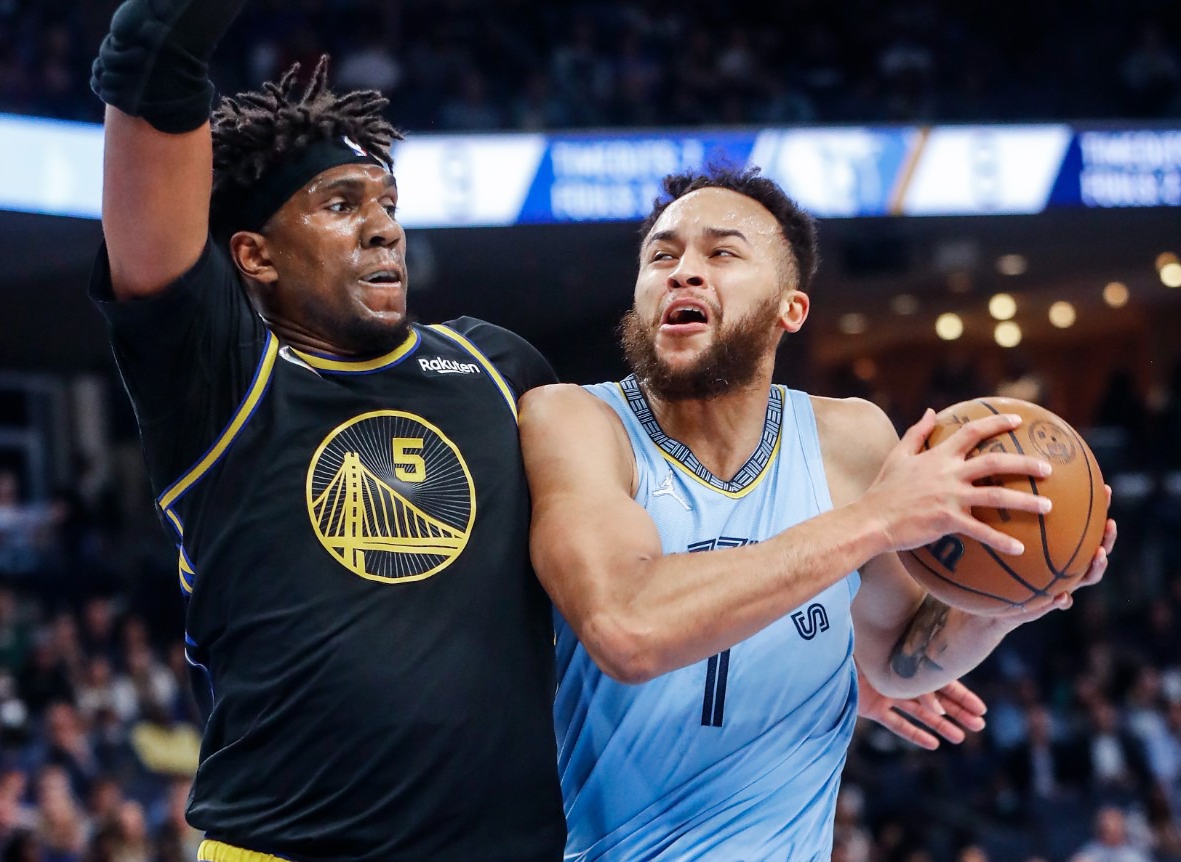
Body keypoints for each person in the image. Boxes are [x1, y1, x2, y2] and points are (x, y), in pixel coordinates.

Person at [518, 165, 1117, 860]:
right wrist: (880, 518)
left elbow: (897, 658)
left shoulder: (852, 439)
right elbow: (627, 628)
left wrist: (1016, 592)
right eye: (662, 254)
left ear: (789, 309)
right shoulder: (575, 418)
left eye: (721, 253)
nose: (682, 271)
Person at [87, 1, 563, 859]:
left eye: (386, 201)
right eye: (341, 204)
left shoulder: (500, 366)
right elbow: (148, 64)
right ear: (254, 256)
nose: (384, 225)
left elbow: (634, 556)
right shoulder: (219, 380)